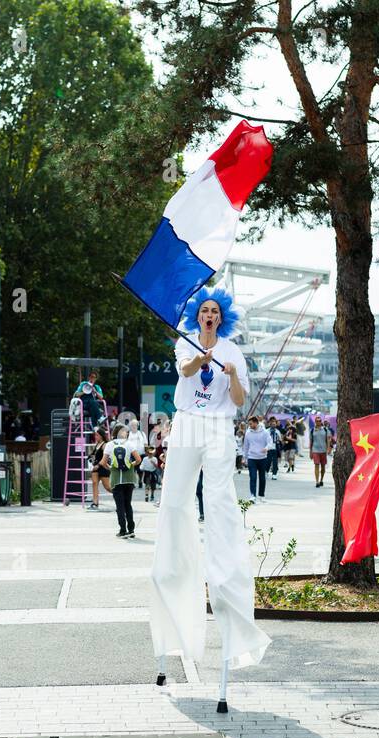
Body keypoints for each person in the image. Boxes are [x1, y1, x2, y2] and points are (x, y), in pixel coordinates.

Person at [151, 287, 271, 699]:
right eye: (203, 310)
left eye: (214, 311)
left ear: (222, 318)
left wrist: (232, 374)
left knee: (219, 505)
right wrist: (202, 359)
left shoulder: (233, 352)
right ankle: (172, 601)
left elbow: (238, 400)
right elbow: (185, 372)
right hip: (187, 424)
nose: (207, 315)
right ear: (197, 316)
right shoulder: (184, 343)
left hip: (219, 427)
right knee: (175, 505)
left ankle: (226, 583)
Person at [104, 424, 141, 538]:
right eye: (126, 431)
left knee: (119, 506)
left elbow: (103, 462)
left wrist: (112, 468)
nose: (127, 433)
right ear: (123, 432)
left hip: (116, 479)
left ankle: (122, 530)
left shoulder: (110, 444)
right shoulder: (129, 444)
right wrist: (130, 465)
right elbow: (138, 460)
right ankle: (131, 530)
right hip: (129, 479)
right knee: (127, 504)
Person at [242, 415, 273, 502]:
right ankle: (253, 495)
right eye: (249, 424)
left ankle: (261, 495)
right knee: (253, 477)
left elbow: (270, 442)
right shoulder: (248, 433)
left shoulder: (264, 432)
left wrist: (266, 448)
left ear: (256, 422)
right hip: (252, 458)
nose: (250, 425)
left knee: (262, 477)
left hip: (262, 458)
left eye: (251, 424)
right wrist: (244, 457)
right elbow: (246, 446)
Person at [89, 422, 111, 510]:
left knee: (107, 487)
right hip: (95, 467)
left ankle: (120, 496)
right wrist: (91, 456)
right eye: (95, 435)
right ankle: (95, 503)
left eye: (97, 435)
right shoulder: (97, 444)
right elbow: (94, 455)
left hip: (102, 467)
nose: (95, 437)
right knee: (94, 484)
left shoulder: (104, 445)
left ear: (101, 436)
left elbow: (105, 458)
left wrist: (98, 465)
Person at [310, 415, 333, 487]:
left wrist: (329, 449)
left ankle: (321, 480)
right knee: (316, 465)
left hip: (323, 450)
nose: (318, 422)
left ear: (321, 422)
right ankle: (317, 481)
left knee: (323, 467)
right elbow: (311, 441)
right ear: (315, 422)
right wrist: (310, 452)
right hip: (315, 450)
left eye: (319, 421)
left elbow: (328, 440)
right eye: (317, 421)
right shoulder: (312, 430)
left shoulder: (325, 430)